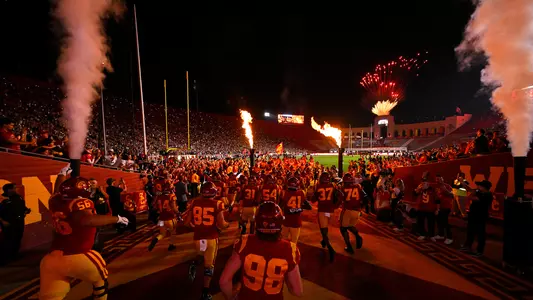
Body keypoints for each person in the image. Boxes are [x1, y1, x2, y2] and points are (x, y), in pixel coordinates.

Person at [39, 174, 129, 300]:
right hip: (77, 254)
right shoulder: (80, 201)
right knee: (100, 281)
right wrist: (117, 218)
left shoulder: (56, 200)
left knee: (51, 296)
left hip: (53, 257)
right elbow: (87, 220)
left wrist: (61, 175)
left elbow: (57, 192)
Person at [219, 201, 303, 299]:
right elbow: (297, 291)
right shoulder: (290, 249)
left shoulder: (245, 242)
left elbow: (224, 281)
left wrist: (231, 297)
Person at [184, 181, 229, 300]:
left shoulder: (194, 202)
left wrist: (197, 227)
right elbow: (222, 224)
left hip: (198, 237)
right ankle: (205, 292)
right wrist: (227, 224)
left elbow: (186, 223)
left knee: (200, 254)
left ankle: (194, 264)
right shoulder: (218, 204)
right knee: (209, 265)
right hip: (211, 238)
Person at [460, 180, 493, 257]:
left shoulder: (487, 194)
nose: (478, 187)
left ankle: (479, 251)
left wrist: (471, 195)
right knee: (470, 231)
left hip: (480, 216)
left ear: (484, 187)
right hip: (473, 215)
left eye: (480, 186)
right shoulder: (480, 192)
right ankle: (467, 246)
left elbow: (472, 197)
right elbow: (470, 189)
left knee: (480, 233)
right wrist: (463, 183)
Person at [0, 183, 30, 265]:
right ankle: (5, 258)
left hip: (19, 221)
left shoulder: (18, 197)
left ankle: (14, 255)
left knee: (17, 238)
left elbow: (22, 206)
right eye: (14, 188)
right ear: (8, 190)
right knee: (8, 240)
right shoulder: (2, 199)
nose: (16, 189)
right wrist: (2, 221)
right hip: (8, 223)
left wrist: (26, 211)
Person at [311, 172, 337, 262]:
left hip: (322, 210)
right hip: (330, 211)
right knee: (325, 228)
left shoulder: (318, 187)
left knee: (323, 230)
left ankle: (330, 249)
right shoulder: (333, 185)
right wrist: (335, 206)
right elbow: (338, 196)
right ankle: (323, 241)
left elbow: (313, 199)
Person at [148, 182, 179, 251]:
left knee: (162, 234)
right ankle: (171, 245)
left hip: (161, 219)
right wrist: (178, 213)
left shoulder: (159, 196)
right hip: (170, 218)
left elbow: (154, 206)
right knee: (173, 232)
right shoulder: (171, 196)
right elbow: (174, 207)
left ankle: (156, 239)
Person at [339, 173, 364, 254]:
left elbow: (340, 199)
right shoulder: (358, 187)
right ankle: (357, 236)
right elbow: (365, 197)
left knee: (343, 229)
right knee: (350, 226)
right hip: (357, 211)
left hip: (348, 210)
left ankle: (349, 246)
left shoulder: (343, 188)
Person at [280, 177, 306, 244]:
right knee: (294, 243)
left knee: (283, 242)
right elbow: (307, 206)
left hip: (286, 220)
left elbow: (281, 206)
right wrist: (298, 209)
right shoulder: (302, 193)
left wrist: (290, 210)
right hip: (296, 221)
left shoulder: (284, 193)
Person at [433, 175, 454, 245]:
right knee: (439, 221)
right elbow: (437, 198)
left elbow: (452, 195)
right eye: (436, 179)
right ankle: (441, 235)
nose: (438, 181)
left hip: (447, 207)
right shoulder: (436, 187)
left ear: (443, 179)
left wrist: (445, 189)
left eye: (439, 179)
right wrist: (437, 208)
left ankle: (449, 237)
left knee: (446, 222)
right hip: (440, 207)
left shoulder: (447, 186)